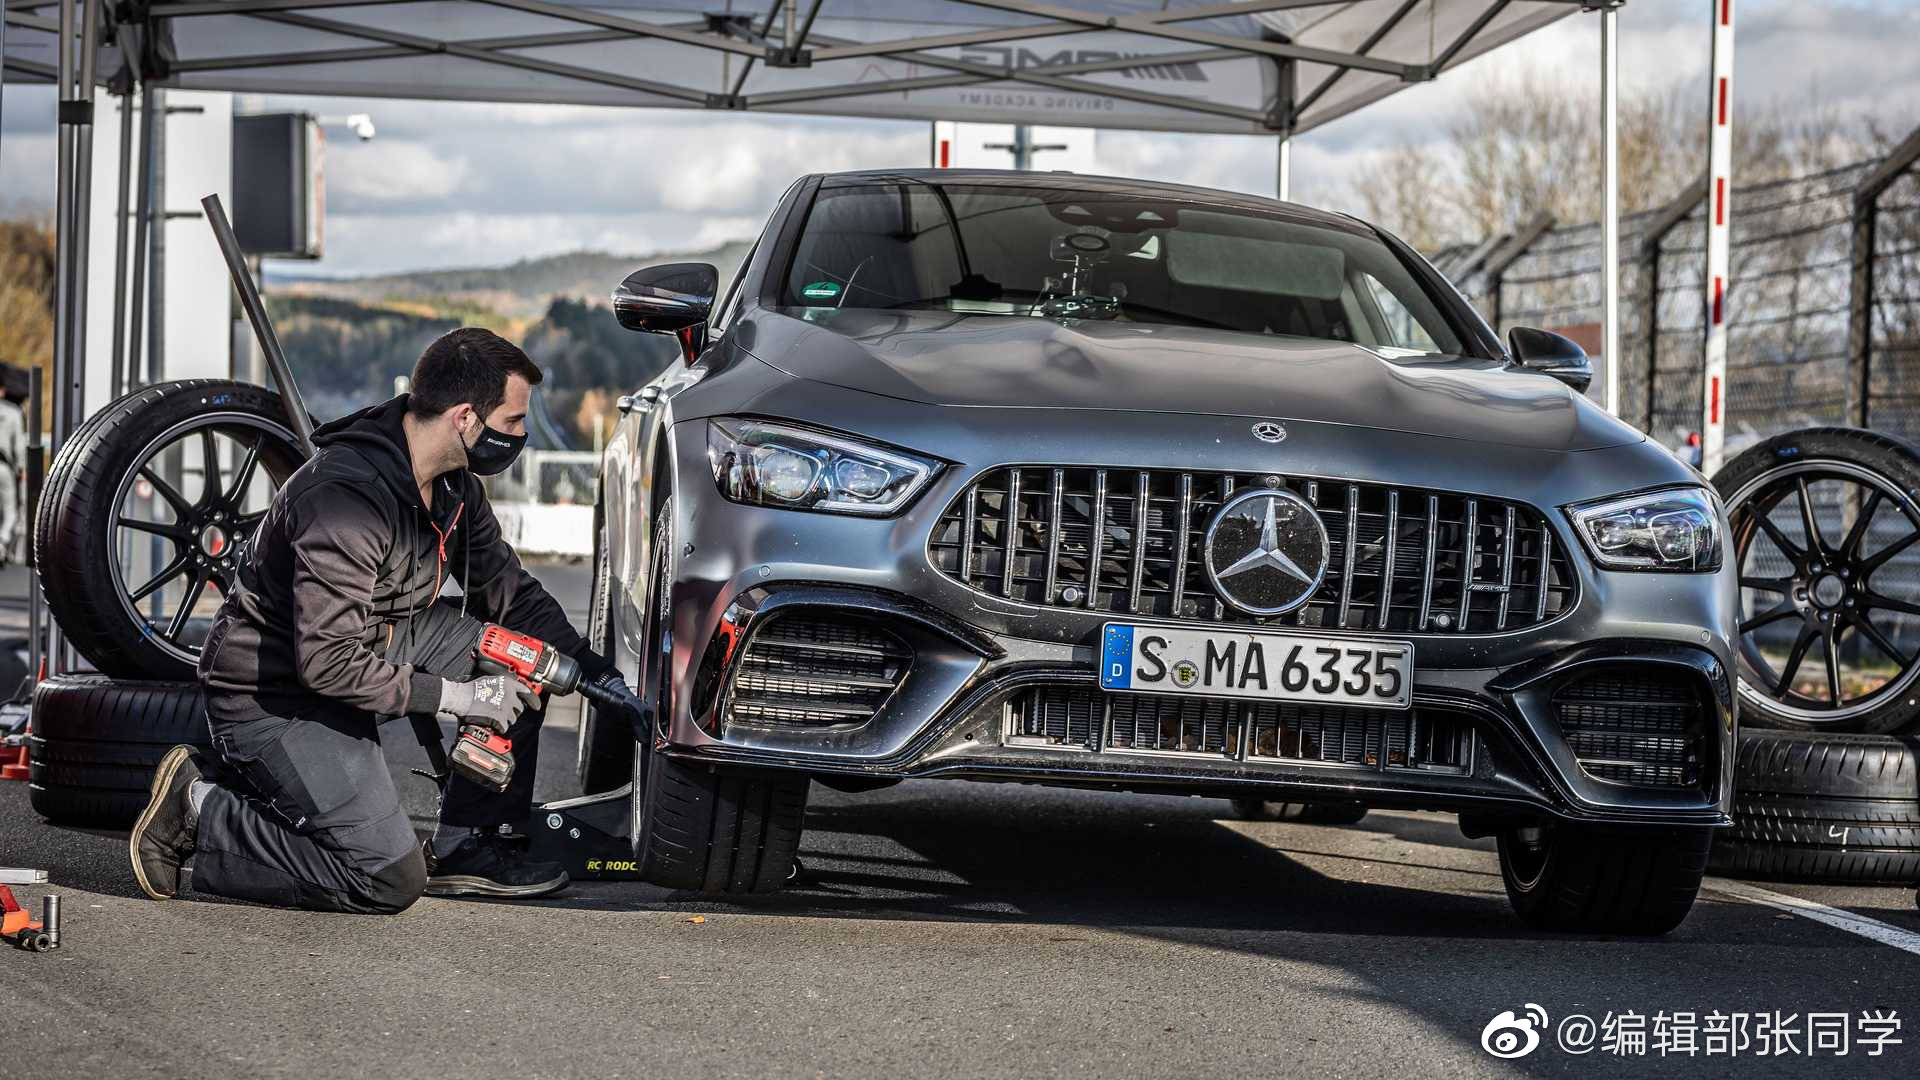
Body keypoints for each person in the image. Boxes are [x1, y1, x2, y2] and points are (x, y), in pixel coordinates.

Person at [127, 328, 631, 913]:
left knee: (521, 658)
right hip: (278, 694)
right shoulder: (344, 500)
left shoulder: (453, 487)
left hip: (382, 640)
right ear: (466, 417)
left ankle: (470, 845)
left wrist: (598, 677)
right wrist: (458, 699)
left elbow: (510, 593)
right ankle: (203, 809)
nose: (519, 435)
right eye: (514, 421)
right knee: (387, 877)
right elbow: (326, 662)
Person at [0, 375, 24, 567]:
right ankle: (2, 541)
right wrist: (21, 468)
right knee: (10, 511)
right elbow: (19, 446)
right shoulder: (13, 412)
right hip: (4, 468)